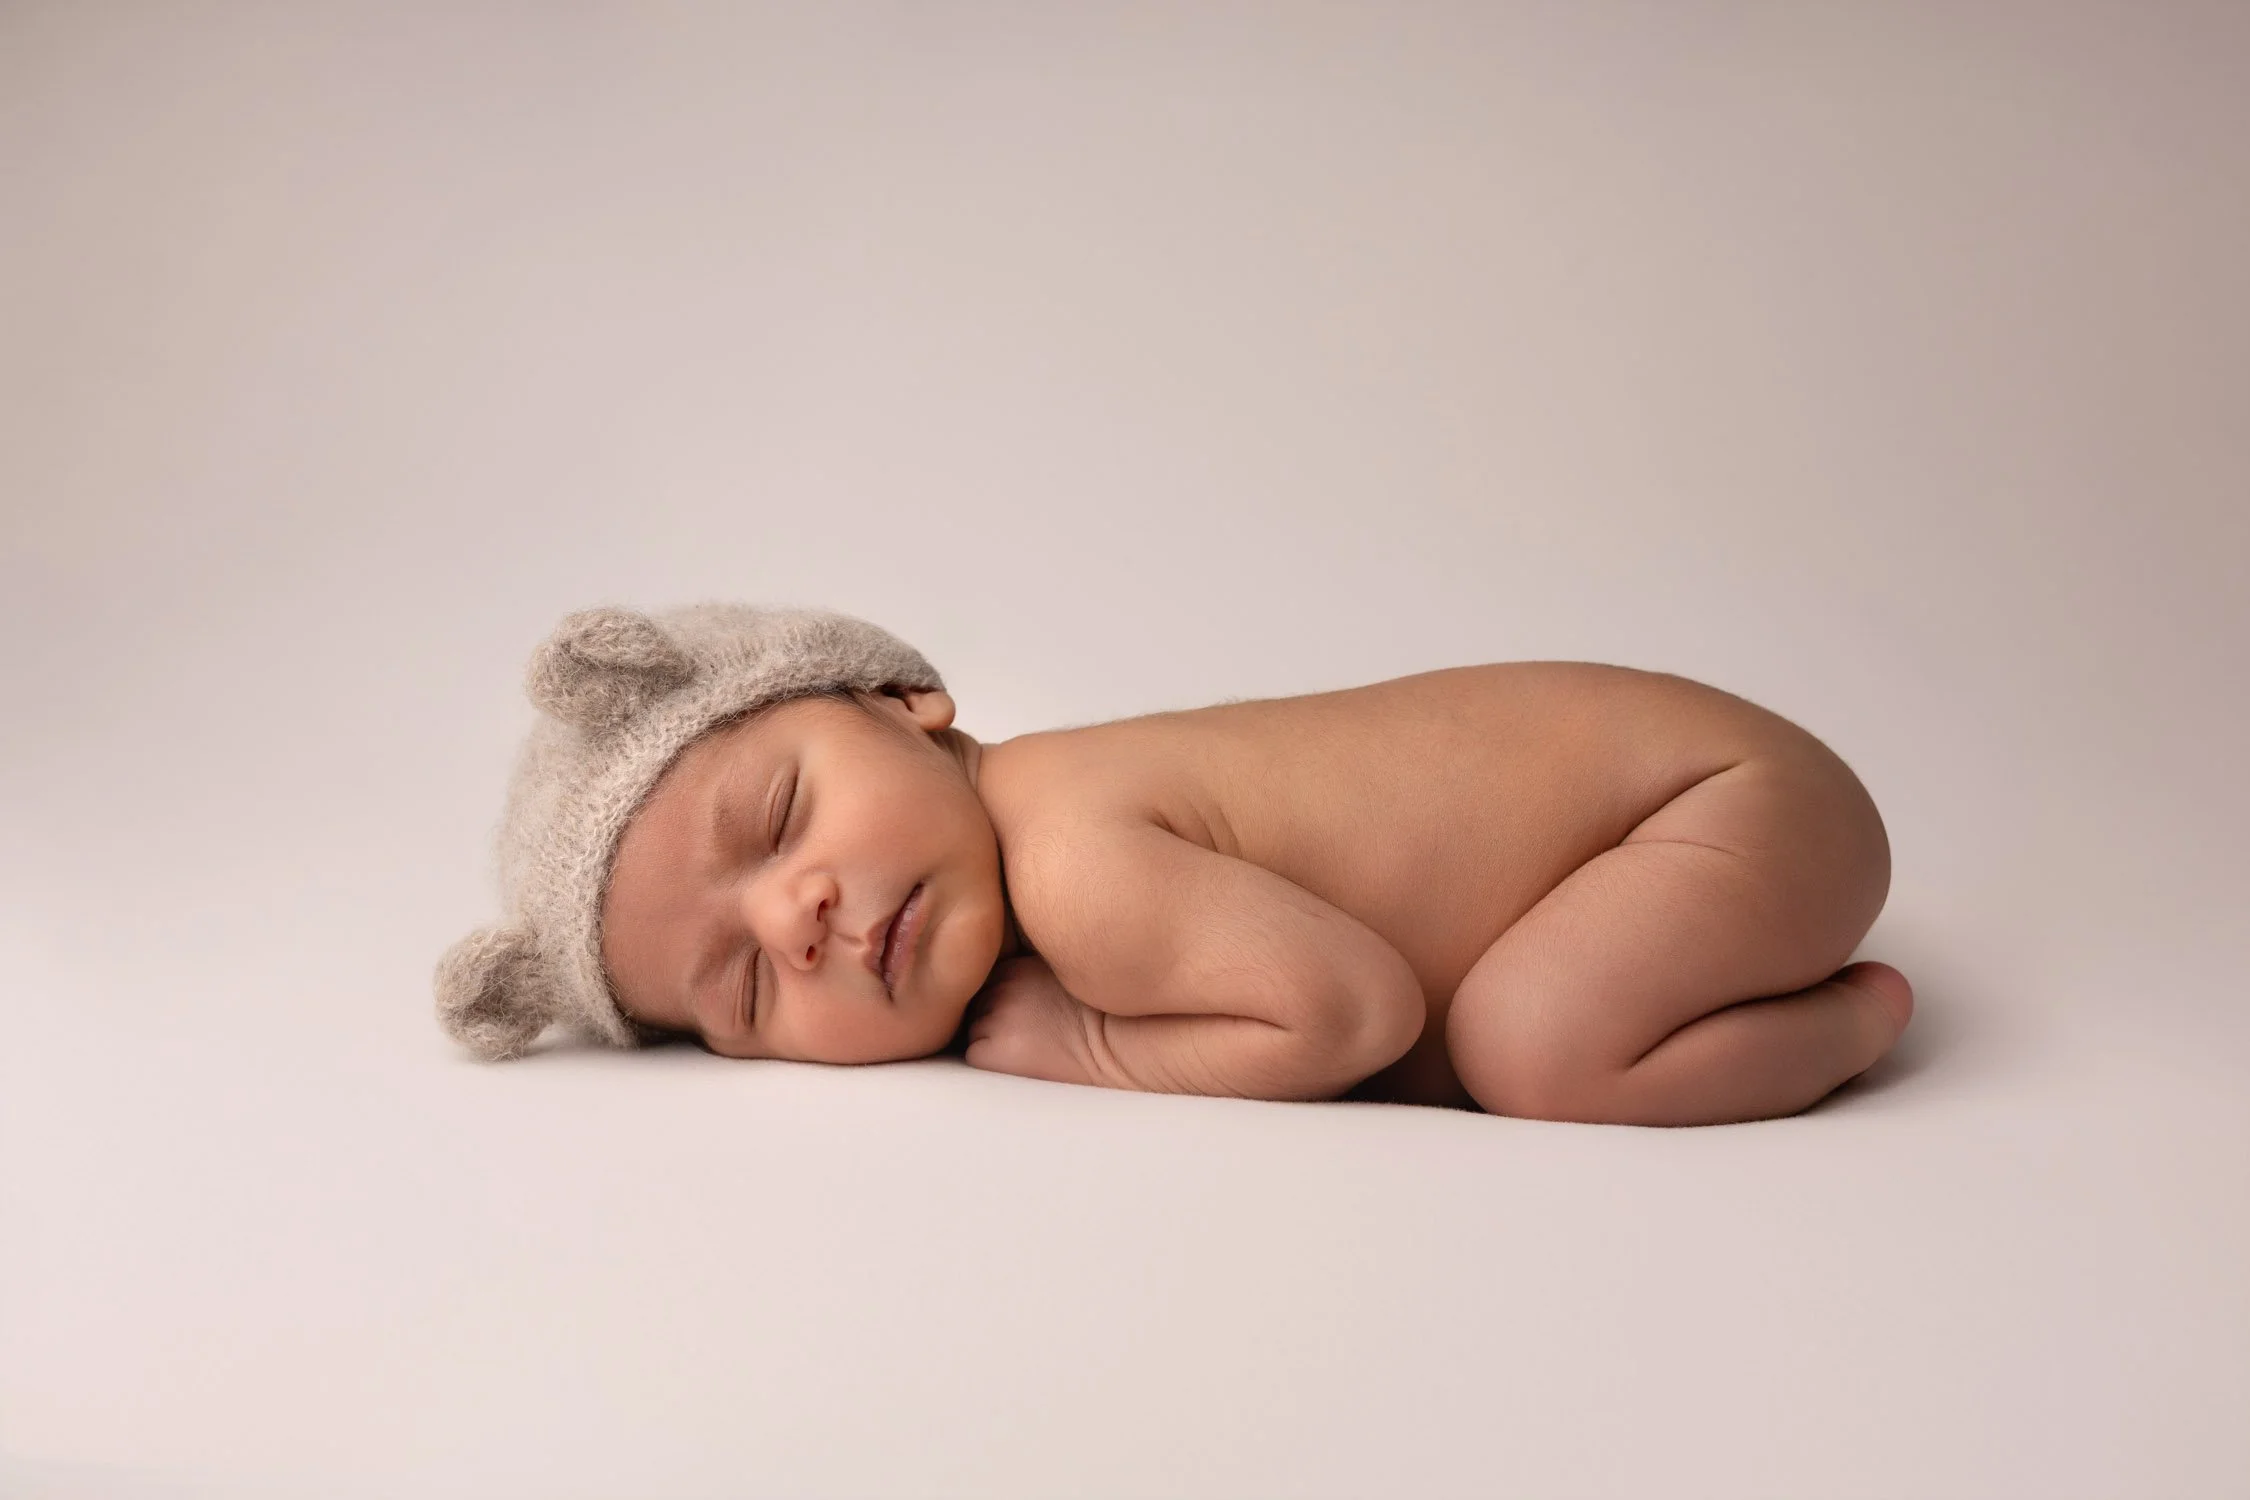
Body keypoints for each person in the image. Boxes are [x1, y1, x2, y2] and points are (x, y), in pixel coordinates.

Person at [437, 603, 1912, 1126]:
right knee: (1522, 1022)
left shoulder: (1075, 854)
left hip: (1714, 805)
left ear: (905, 705)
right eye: (746, 984)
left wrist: (1092, 1045)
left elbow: (1348, 1017)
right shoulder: (1049, 828)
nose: (802, 915)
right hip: (1672, 795)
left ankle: (1850, 1021)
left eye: (776, 822)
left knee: (1533, 1046)